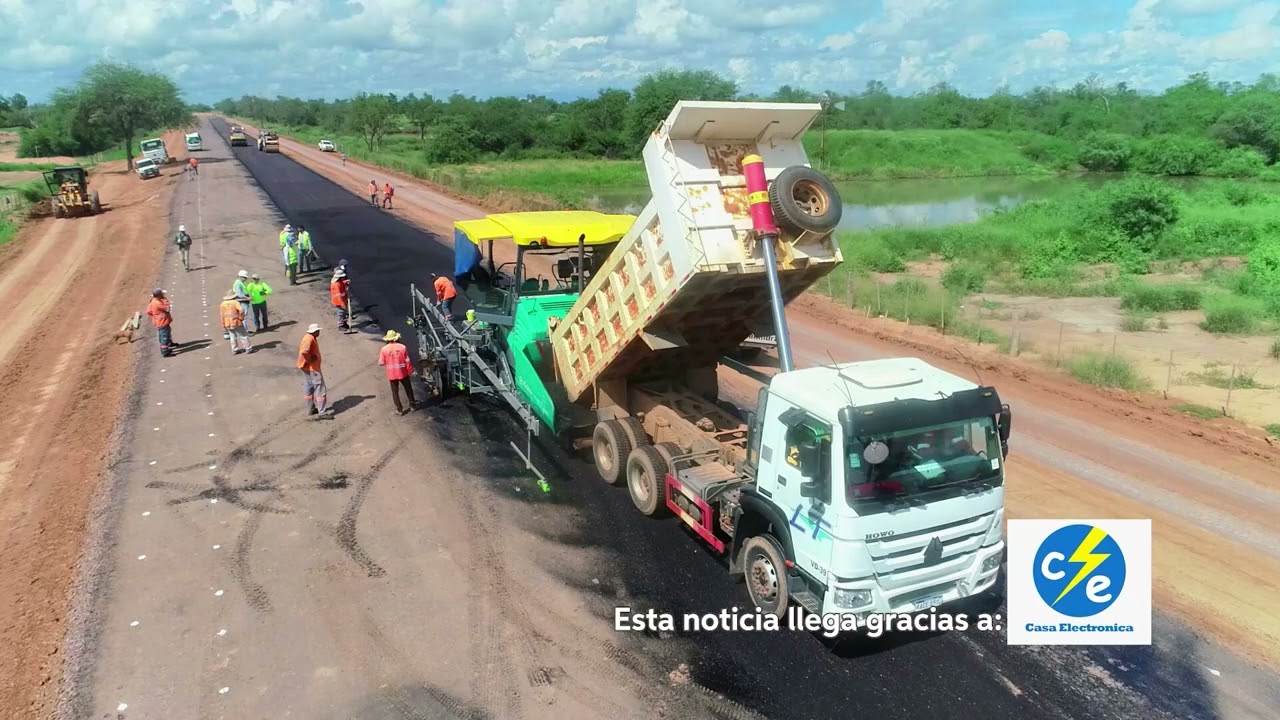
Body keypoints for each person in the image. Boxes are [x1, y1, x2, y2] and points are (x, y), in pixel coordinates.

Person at [298, 323, 334, 418]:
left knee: (309, 388)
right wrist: (310, 359)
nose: (319, 332)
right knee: (320, 389)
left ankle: (310, 409)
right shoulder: (309, 339)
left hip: (306, 367)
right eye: (318, 331)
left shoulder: (309, 337)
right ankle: (322, 412)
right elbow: (304, 352)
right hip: (312, 369)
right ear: (314, 331)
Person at [378, 330, 416, 415]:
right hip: (403, 373)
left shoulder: (384, 349)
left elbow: (381, 362)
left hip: (392, 374)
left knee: (395, 392)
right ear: (396, 338)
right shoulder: (402, 347)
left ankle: (399, 410)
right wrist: (411, 371)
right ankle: (412, 406)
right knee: (408, 389)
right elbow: (408, 361)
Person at [146, 289, 177, 357]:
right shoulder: (158, 303)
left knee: (167, 333)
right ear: (158, 295)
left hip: (161, 321)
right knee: (164, 336)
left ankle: (168, 345)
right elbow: (167, 308)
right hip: (162, 322)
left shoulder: (152, 301)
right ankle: (165, 352)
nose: (163, 295)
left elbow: (148, 311)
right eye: (162, 294)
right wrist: (165, 300)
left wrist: (155, 315)